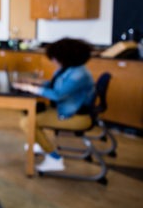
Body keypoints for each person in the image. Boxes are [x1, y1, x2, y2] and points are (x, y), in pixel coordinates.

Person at [12, 38, 95, 172]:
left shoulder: (79, 74)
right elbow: (54, 84)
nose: (53, 61)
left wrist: (30, 88)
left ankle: (55, 159)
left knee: (27, 122)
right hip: (65, 110)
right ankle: (39, 142)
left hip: (76, 117)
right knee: (32, 111)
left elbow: (57, 94)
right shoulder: (68, 69)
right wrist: (34, 82)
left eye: (54, 58)